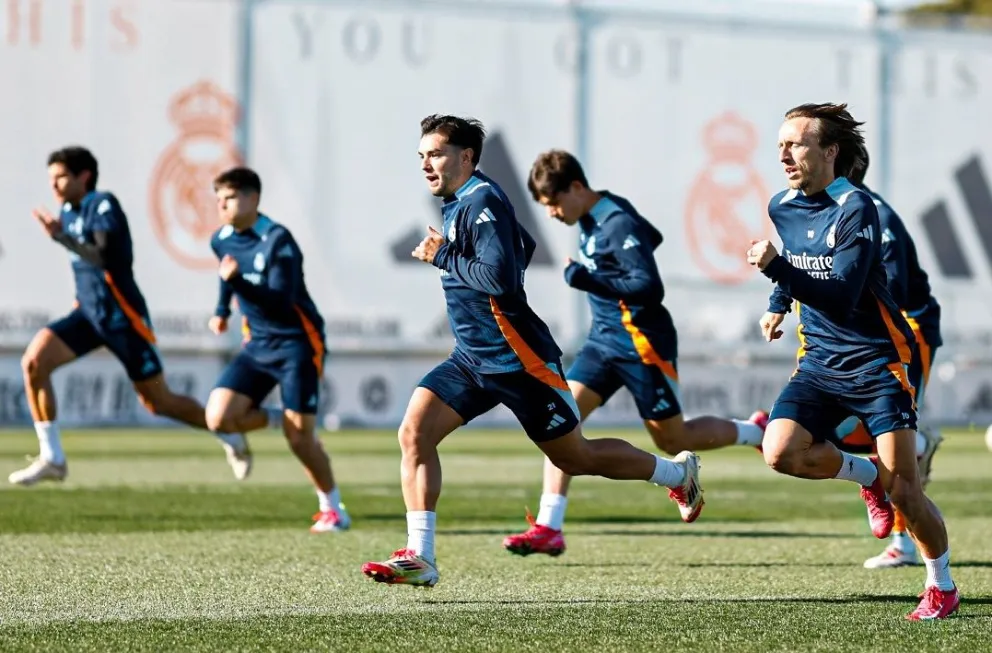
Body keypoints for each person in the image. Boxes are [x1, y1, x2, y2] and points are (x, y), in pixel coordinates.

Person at [361, 115, 704, 588]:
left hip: (519, 361)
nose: (425, 164)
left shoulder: (481, 201)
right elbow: (520, 244)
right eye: (422, 155)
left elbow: (499, 280)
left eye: (435, 154)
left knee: (576, 458)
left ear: (466, 157)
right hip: (471, 358)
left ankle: (676, 474)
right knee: (414, 433)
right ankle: (421, 555)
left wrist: (442, 255)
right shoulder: (462, 200)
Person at [748, 103, 959, 620]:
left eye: (795, 144)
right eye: (780, 145)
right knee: (780, 452)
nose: (783, 155)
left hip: (877, 365)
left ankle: (942, 585)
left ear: (830, 151)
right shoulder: (782, 205)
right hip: (819, 364)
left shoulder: (857, 207)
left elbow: (841, 294)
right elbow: (797, 259)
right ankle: (866, 475)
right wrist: (777, 304)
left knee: (905, 491)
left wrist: (774, 270)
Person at [501, 149, 766, 557]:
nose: (552, 213)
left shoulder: (616, 221)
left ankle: (755, 431)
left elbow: (648, 287)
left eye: (553, 203)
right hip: (603, 342)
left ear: (576, 187)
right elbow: (649, 238)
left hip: (642, 344)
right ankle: (549, 527)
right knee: (560, 425)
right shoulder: (594, 215)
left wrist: (587, 278)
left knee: (673, 438)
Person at [10, 146, 250, 487]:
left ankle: (226, 430)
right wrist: (63, 236)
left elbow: (104, 256)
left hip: (124, 319)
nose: (54, 185)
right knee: (34, 363)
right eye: (52, 178)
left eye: (61, 177)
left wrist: (61, 237)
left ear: (84, 176)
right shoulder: (67, 212)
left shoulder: (102, 205)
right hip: (88, 317)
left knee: (160, 402)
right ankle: (52, 458)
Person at [205, 167, 350, 534]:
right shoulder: (221, 238)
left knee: (300, 438)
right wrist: (222, 311)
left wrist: (237, 282)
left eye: (230, 198)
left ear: (253, 198)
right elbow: (226, 273)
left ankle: (333, 509)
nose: (222, 205)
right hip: (257, 344)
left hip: (297, 344)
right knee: (218, 418)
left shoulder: (277, 241)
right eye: (218, 199)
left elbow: (281, 303)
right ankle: (273, 419)